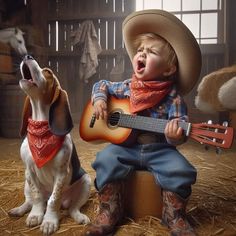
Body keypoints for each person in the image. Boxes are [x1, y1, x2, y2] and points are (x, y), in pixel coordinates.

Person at [82, 9, 202, 236]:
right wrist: (99, 100)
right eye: (139, 50)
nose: (142, 54)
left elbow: (180, 125)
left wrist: (175, 135)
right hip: (126, 147)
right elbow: (102, 84)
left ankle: (173, 216)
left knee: (180, 169)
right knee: (105, 159)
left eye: (151, 52)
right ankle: (110, 211)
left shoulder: (173, 97)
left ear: (169, 68)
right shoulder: (127, 86)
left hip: (159, 149)